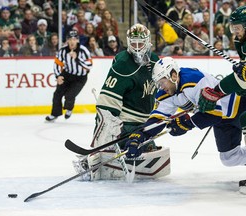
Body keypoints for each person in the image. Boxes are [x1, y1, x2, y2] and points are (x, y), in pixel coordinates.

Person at [124, 56, 246, 193]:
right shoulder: (167, 92)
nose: (161, 87)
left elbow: (214, 114)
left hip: (241, 106)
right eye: (158, 84)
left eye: (162, 82)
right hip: (223, 120)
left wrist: (188, 123)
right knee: (229, 158)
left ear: (173, 75)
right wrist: (140, 136)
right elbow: (158, 119)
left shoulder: (193, 80)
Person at [73, 24, 171, 181]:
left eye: (141, 43)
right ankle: (95, 158)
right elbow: (107, 102)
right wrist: (108, 131)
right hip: (126, 121)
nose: (137, 48)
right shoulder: (123, 63)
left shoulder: (154, 61)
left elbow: (163, 88)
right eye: (133, 43)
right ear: (128, 42)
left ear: (148, 42)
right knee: (127, 144)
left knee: (147, 149)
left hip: (145, 122)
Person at [197, 5, 246, 191]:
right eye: (233, 28)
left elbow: (243, 82)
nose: (235, 32)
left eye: (238, 28)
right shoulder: (242, 42)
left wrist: (218, 90)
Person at [45, 30, 92, 121]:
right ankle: (55, 114)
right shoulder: (63, 50)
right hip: (67, 74)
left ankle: (69, 108)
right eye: (70, 39)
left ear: (77, 40)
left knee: (70, 95)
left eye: (74, 39)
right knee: (57, 94)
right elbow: (57, 63)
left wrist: (77, 58)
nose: (72, 41)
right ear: (67, 41)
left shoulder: (83, 50)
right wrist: (58, 76)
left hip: (80, 77)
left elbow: (90, 65)